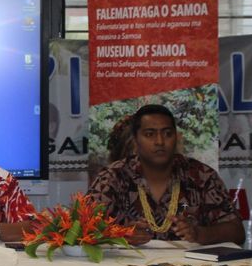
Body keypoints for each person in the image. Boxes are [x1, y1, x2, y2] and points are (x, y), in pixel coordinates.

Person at [88, 104, 244, 246]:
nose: (160, 141)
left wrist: (200, 233)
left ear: (176, 137)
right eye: (150, 134)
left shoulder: (201, 176)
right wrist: (120, 234)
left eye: (167, 133)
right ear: (136, 140)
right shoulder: (113, 177)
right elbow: (82, 229)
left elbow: (237, 232)